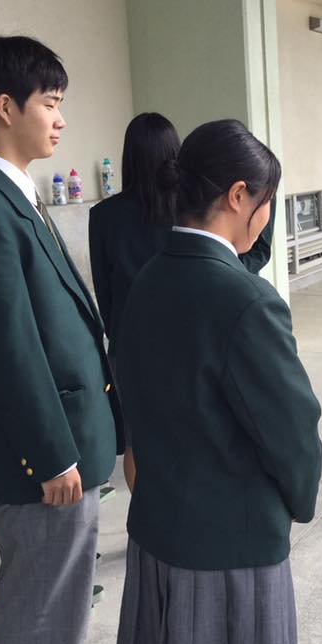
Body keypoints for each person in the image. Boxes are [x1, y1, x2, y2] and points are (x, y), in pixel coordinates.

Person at [0, 36, 122, 644]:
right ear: (6, 107)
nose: (61, 119)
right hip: (46, 464)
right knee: (43, 616)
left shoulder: (16, 195)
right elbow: (4, 349)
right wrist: (50, 456)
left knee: (61, 609)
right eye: (51, 103)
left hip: (69, 447)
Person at [114, 119, 322, 644]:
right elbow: (293, 434)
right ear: (238, 196)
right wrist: (297, 503)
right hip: (231, 550)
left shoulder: (148, 280)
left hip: (157, 533)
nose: (267, 216)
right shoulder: (246, 300)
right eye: (266, 202)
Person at [88, 113, 277, 491]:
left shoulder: (104, 215)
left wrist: (120, 334)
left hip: (130, 341)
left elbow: (104, 293)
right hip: (192, 334)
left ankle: (145, 511)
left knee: (137, 441)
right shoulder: (189, 210)